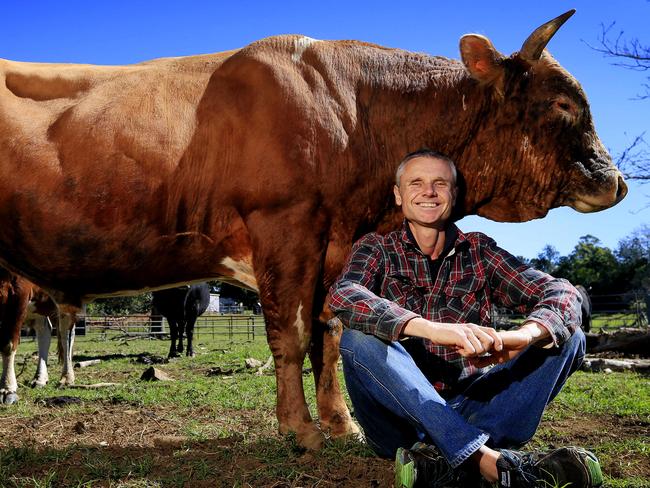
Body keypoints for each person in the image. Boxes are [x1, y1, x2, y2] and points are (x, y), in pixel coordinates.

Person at [328, 149, 602, 488]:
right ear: (399, 195)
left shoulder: (479, 251)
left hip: (476, 408)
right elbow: (344, 294)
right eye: (416, 183)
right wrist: (431, 329)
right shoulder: (376, 249)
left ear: (453, 196)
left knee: (568, 337)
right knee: (359, 339)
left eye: (439, 183)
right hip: (397, 420)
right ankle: (483, 460)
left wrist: (523, 337)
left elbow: (563, 293)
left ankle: (438, 463)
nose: (428, 192)